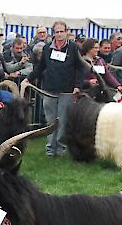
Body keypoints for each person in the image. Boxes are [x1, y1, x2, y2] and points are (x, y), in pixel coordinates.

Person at [24, 20, 85, 156]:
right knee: (50, 121)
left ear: (66, 32)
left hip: (66, 90)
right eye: (56, 32)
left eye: (61, 31)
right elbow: (41, 67)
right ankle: (50, 149)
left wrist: (78, 86)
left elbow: (81, 68)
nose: (59, 34)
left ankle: (61, 149)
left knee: (63, 121)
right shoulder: (47, 48)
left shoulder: (73, 48)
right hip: (49, 90)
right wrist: (29, 78)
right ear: (53, 33)